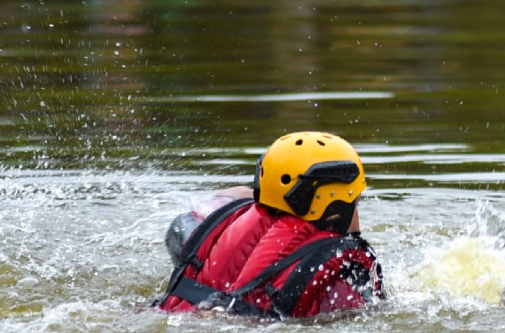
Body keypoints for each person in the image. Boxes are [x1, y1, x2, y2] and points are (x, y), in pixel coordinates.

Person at [157, 131, 384, 318]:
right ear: (335, 214)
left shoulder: (224, 222)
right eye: (355, 201)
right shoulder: (337, 284)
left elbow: (227, 198)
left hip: (173, 315)